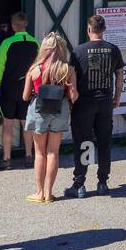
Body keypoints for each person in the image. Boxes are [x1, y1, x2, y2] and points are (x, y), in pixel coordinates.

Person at [64, 15, 125, 199]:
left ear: (88, 30)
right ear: (104, 29)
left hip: (84, 103)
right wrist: (117, 97)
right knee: (104, 142)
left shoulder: (78, 52)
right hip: (105, 102)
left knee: (84, 143)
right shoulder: (113, 50)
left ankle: (80, 183)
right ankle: (103, 182)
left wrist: (71, 99)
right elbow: (120, 77)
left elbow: (71, 80)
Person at [23, 32, 78, 203]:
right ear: (62, 49)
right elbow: (74, 96)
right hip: (59, 110)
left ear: (44, 49)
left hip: (39, 111)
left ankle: (39, 193)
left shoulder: (35, 69)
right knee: (53, 152)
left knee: (39, 153)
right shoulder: (68, 69)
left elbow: (25, 97)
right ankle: (49, 193)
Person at [0, 12, 37, 171]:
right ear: (26, 25)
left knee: (8, 124)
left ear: (13, 25)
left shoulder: (7, 43)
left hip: (9, 89)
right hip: (27, 89)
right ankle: (29, 156)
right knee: (26, 124)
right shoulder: (35, 42)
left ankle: (7, 159)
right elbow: (37, 66)